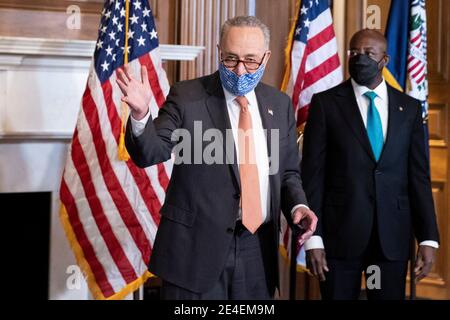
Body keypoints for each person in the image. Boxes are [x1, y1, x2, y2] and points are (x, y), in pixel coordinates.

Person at [116, 15, 317, 300]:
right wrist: (140, 115)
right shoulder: (187, 96)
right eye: (231, 59)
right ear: (219, 52)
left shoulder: (279, 104)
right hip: (195, 252)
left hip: (256, 252)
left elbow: (287, 173)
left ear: (266, 57)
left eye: (250, 60)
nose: (239, 70)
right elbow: (151, 151)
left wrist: (298, 205)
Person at [301, 29, 440, 300]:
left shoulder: (408, 109)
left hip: (390, 240)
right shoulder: (326, 104)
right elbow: (312, 177)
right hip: (340, 239)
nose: (359, 58)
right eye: (354, 52)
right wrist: (313, 238)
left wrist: (428, 238)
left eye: (368, 54)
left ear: (384, 60)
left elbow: (419, 177)